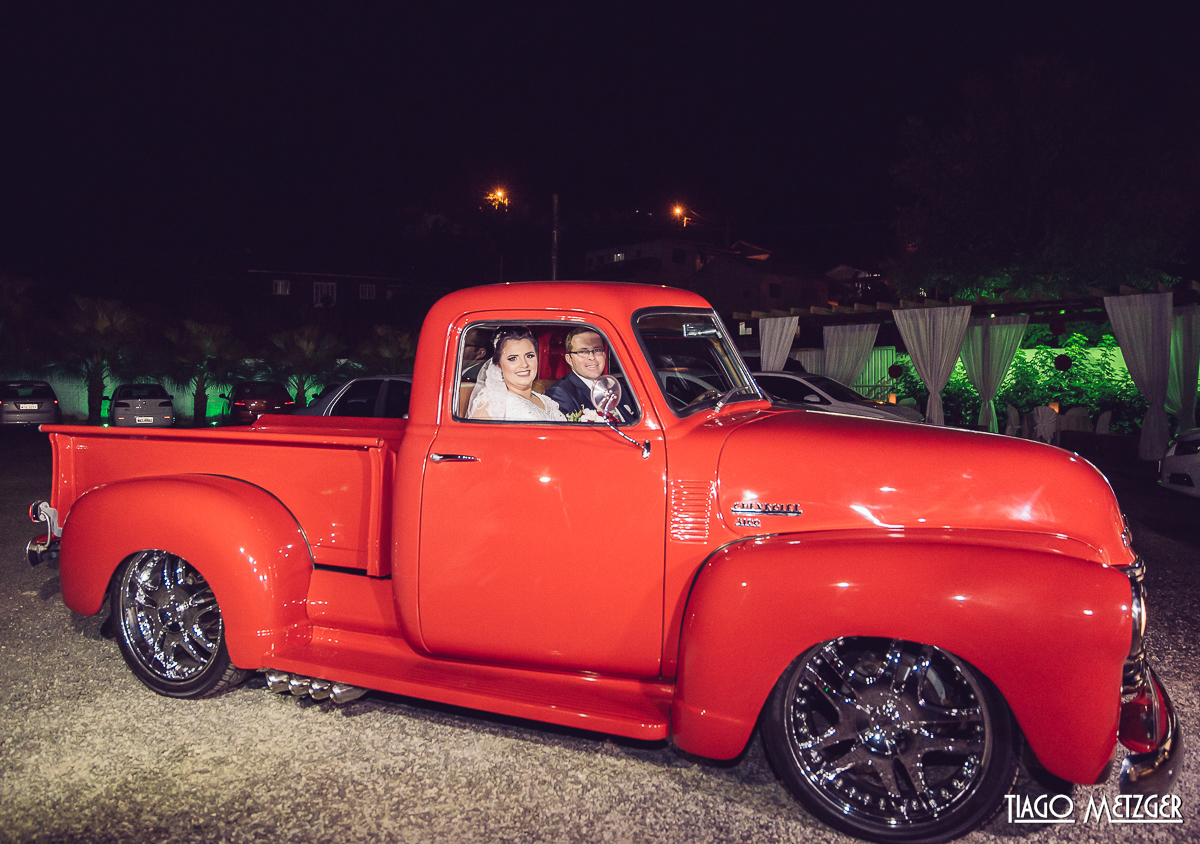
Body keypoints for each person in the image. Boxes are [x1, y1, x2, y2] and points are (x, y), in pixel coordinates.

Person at [467, 326, 567, 421]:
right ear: (498, 365)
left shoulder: (546, 400)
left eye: (529, 356)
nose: (524, 364)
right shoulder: (491, 403)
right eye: (513, 358)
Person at [545, 327, 636, 420]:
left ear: (604, 355)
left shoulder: (615, 386)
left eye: (597, 350)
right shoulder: (560, 393)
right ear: (569, 360)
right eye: (583, 352)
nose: (592, 357)